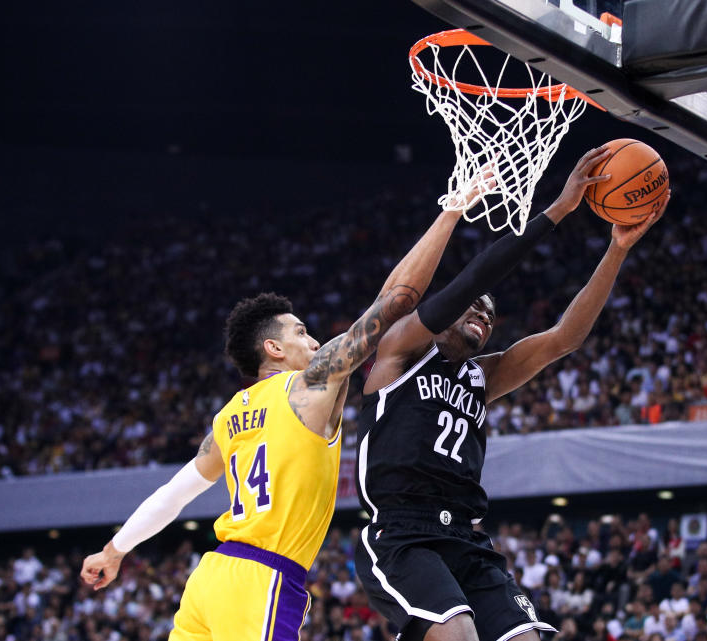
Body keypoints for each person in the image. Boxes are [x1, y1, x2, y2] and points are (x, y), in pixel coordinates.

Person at [78, 179, 493, 641]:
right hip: (264, 578)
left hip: (209, 580)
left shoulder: (228, 418)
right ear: (273, 348)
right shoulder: (313, 382)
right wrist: (452, 211)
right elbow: (396, 301)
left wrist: (115, 550)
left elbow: (175, 494)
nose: (314, 341)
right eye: (301, 333)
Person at [354, 149, 667, 641]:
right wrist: (560, 208)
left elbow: (565, 338)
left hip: (465, 536)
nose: (483, 312)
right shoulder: (400, 353)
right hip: (403, 533)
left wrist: (618, 249)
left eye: (491, 313)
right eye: (472, 307)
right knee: (457, 634)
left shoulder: (484, 375)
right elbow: (473, 279)